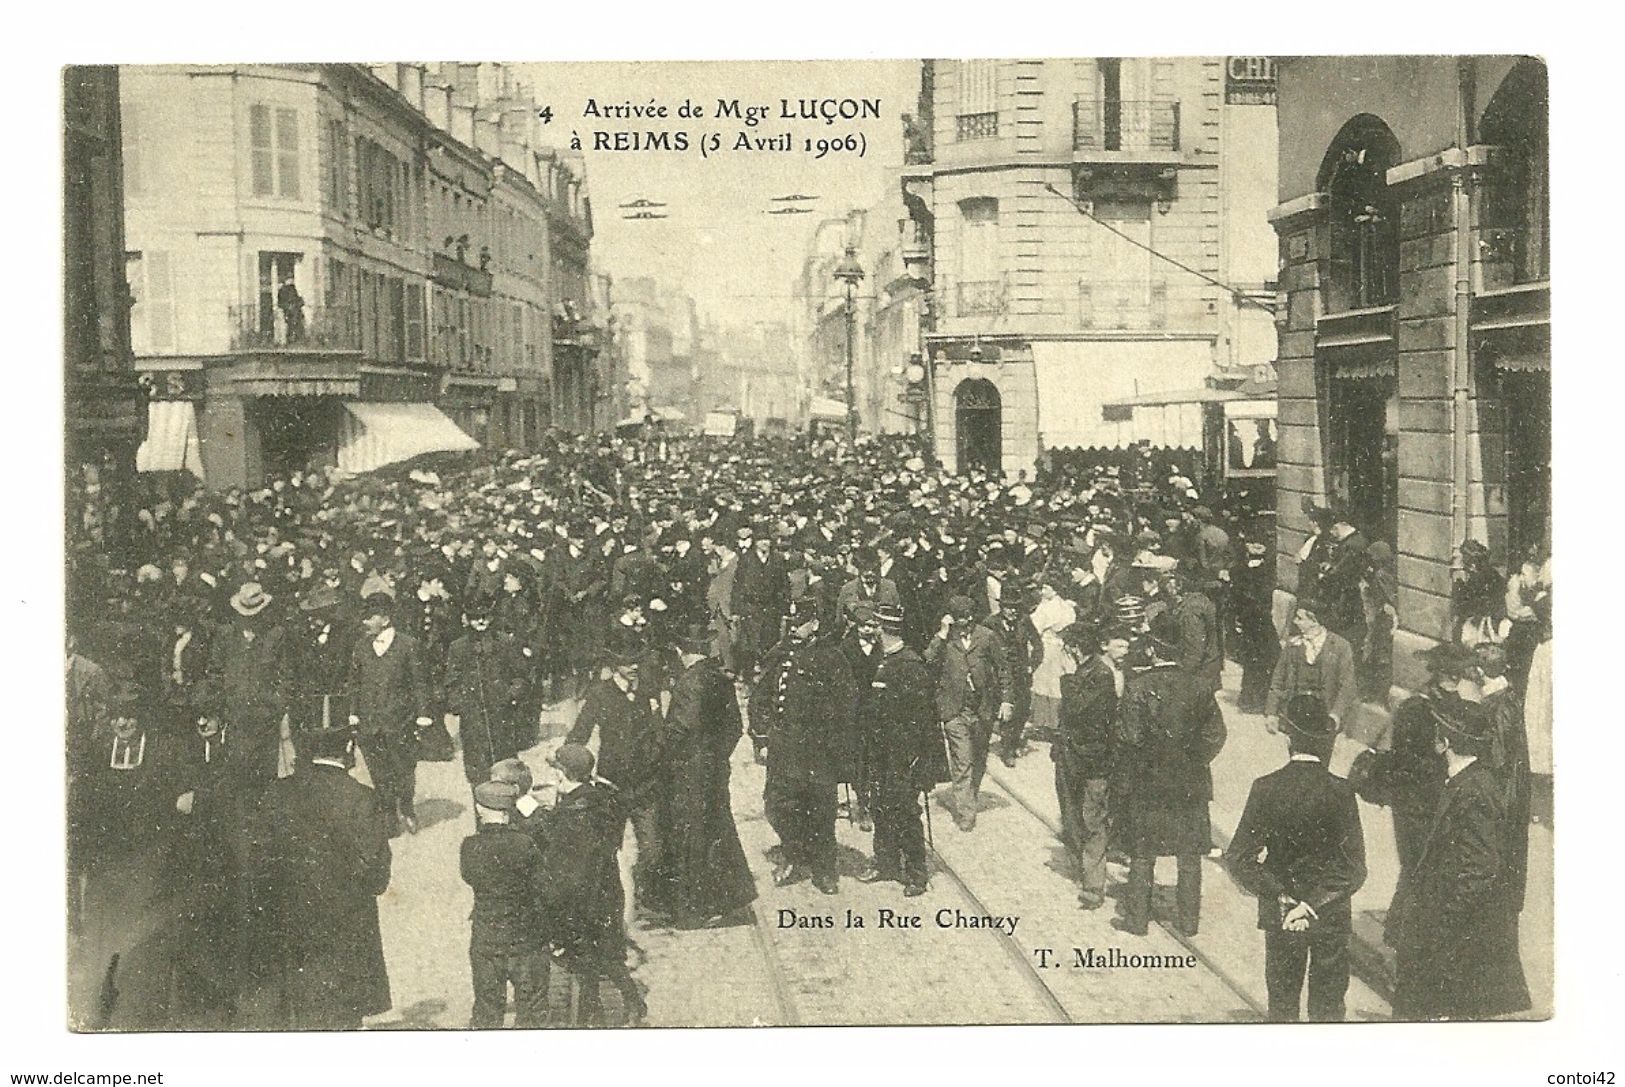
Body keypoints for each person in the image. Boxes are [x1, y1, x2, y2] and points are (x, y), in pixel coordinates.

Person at [239, 720, 391, 1030]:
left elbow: (256, 860)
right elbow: (377, 876)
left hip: (286, 928)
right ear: (348, 750)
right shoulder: (361, 797)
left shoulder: (278, 791)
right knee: (342, 1020)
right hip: (345, 933)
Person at [1225, 694, 1367, 1022]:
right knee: (1329, 1007)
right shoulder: (1342, 792)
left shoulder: (1266, 788)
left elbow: (1238, 858)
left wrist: (1282, 894)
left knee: (1282, 1004)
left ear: (1288, 738)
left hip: (1281, 911)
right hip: (1330, 914)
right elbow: (1355, 867)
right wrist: (1313, 904)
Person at [1389, 696, 1531, 1021]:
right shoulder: (1468, 780)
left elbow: (1479, 869)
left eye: (1437, 731)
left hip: (1453, 937)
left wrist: (1441, 923)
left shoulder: (1473, 791)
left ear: (1446, 742)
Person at [1113, 612, 1226, 937]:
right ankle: (1189, 922)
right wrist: (1193, 761)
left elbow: (1130, 738)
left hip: (1148, 785)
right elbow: (1216, 734)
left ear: (1152, 650)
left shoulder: (1138, 687)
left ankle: (1136, 921)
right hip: (1190, 785)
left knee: (1142, 854)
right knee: (1189, 857)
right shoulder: (1201, 688)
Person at [537, 743, 647, 1026]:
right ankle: (604, 1010)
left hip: (583, 900)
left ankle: (613, 1009)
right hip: (605, 893)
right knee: (604, 958)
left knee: (592, 960)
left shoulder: (573, 816)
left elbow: (568, 864)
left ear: (562, 775)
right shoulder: (600, 800)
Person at [756, 595, 856, 894]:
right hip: (784, 747)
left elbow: (848, 702)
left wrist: (838, 744)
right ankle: (795, 849)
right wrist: (761, 737)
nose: (793, 629)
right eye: (792, 623)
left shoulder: (831, 657)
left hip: (818, 750)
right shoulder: (780, 653)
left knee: (821, 810)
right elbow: (762, 697)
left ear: (814, 624)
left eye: (800, 623)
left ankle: (824, 869)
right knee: (777, 805)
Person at [566, 634, 669, 918]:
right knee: (608, 848)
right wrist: (568, 761)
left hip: (646, 785)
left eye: (637, 660)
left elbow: (659, 730)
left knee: (652, 850)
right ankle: (608, 907)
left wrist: (657, 758)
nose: (634, 666)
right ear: (614, 665)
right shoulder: (600, 694)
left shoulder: (649, 690)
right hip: (612, 785)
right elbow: (580, 733)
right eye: (627, 662)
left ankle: (643, 897)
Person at [662, 621, 756, 927]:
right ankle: (732, 898)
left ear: (680, 651)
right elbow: (735, 727)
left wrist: (664, 756)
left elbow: (680, 730)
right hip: (716, 768)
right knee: (719, 829)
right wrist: (719, 757)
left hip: (691, 772)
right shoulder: (720, 679)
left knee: (693, 837)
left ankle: (693, 909)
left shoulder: (690, 684)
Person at [857, 602, 945, 896]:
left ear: (882, 629)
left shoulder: (910, 665)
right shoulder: (883, 660)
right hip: (880, 753)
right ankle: (886, 863)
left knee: (906, 812)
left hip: (904, 758)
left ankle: (916, 874)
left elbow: (923, 721)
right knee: (880, 807)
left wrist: (919, 763)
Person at [461, 779, 550, 1029]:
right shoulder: (524, 844)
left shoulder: (470, 847)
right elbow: (541, 884)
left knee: (487, 1010)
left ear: (480, 809)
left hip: (487, 937)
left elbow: (469, 876)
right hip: (524, 937)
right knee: (531, 1011)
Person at [1054, 623, 1129, 911]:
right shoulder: (1093, 672)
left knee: (1093, 821)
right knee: (1071, 816)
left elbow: (1076, 708)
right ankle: (1084, 868)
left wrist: (1067, 675)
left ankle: (1094, 886)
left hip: (1093, 763)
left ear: (1074, 649)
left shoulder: (1099, 675)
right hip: (1071, 758)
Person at [925, 594, 1013, 831]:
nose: (968, 621)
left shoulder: (987, 637)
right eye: (962, 618)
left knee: (979, 758)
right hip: (955, 710)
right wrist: (942, 634)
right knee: (962, 761)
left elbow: (1003, 668)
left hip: (982, 708)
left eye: (970, 616)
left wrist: (1006, 701)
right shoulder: (944, 639)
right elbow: (928, 661)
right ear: (952, 619)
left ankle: (970, 795)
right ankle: (966, 812)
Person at [348, 589, 432, 837]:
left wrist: (423, 715)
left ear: (385, 619)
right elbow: (354, 683)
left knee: (404, 768)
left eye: (369, 617)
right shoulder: (361, 647)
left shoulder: (408, 646)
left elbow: (420, 683)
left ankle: (406, 807)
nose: (364, 622)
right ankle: (387, 814)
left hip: (400, 721)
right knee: (378, 770)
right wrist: (353, 712)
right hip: (370, 723)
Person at [445, 599, 529, 809]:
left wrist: (511, 695)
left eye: (485, 616)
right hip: (473, 720)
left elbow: (521, 675)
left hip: (501, 716)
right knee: (478, 772)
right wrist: (460, 704)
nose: (481, 621)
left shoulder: (505, 643)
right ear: (467, 620)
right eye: (475, 617)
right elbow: (451, 682)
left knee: (507, 768)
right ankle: (483, 820)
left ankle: (510, 818)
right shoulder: (458, 647)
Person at [1264, 599, 1357, 736]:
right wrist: (1271, 713)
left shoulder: (1340, 647)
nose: (1295, 621)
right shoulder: (1292, 645)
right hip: (1294, 717)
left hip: (1325, 719)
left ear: (1314, 621)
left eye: (1300, 618)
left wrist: (1336, 714)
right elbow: (1277, 680)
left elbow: (1348, 686)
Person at [838, 602, 885, 830]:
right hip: (855, 712)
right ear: (857, 627)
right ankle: (863, 804)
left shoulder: (883, 647)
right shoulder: (846, 648)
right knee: (860, 760)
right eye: (865, 626)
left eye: (873, 625)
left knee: (877, 759)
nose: (869, 630)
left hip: (878, 711)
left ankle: (876, 801)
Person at [984, 586, 1041, 767]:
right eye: (1009, 607)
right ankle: (1007, 748)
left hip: (1021, 673)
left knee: (1023, 709)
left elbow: (1038, 645)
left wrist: (1032, 665)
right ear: (1002, 607)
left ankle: (1014, 740)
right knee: (1004, 711)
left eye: (1016, 607)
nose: (1013, 611)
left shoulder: (1024, 621)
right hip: (999, 674)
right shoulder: (990, 623)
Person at [729, 522, 790, 680]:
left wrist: (784, 610)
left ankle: (767, 679)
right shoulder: (746, 560)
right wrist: (735, 611)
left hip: (771, 609)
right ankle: (749, 679)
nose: (765, 543)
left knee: (769, 644)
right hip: (751, 608)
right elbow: (737, 586)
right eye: (761, 540)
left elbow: (784, 586)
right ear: (755, 542)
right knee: (749, 646)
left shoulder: (777, 560)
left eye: (767, 540)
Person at [1027, 576, 1077, 739]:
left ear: (1054, 589)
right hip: (1059, 646)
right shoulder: (1065, 606)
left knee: (1044, 683)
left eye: (1046, 588)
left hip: (1047, 646)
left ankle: (1044, 723)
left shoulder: (1049, 608)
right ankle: (1053, 722)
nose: (1042, 591)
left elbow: (1035, 626)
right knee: (1054, 683)